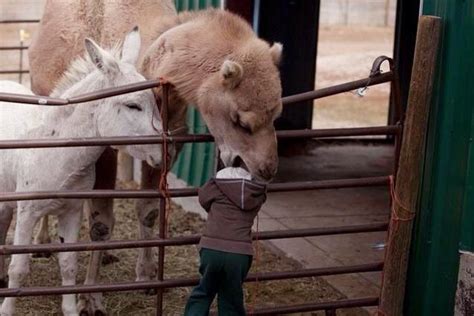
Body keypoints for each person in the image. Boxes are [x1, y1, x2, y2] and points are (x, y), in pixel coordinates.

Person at [184, 167, 267, 316]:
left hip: (211, 249)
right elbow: (262, 193)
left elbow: (203, 197)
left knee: (203, 292)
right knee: (231, 297)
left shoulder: (216, 188)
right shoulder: (253, 194)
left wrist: (215, 182)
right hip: (240, 254)